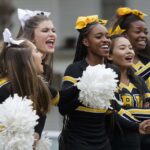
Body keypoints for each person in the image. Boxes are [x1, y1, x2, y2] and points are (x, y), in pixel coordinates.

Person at [58, 15, 150, 150]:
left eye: (107, 36)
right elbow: (63, 107)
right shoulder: (75, 69)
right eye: (98, 36)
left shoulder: (113, 71)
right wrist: (84, 86)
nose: (105, 40)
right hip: (78, 141)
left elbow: (111, 111)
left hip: (103, 141)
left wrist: (136, 126)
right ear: (85, 42)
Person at [0, 28, 57, 147]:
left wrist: (36, 133)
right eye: (36, 51)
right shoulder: (4, 90)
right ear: (26, 61)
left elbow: (42, 113)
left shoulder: (39, 86)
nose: (41, 54)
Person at [109, 7, 150, 150]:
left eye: (146, 32)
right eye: (138, 31)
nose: (143, 35)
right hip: (120, 137)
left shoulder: (144, 69)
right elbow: (115, 110)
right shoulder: (107, 77)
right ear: (125, 34)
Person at [17, 8, 57, 85]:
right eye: (45, 31)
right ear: (31, 37)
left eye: (53, 31)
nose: (52, 34)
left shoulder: (47, 70)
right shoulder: (19, 69)